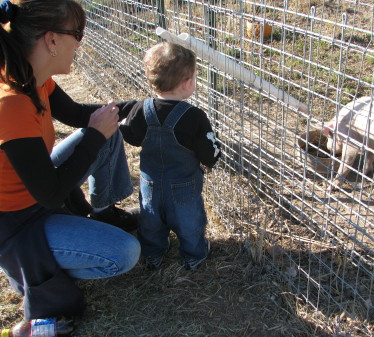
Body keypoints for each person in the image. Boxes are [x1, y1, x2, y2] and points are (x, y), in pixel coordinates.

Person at [0, 0, 141, 322]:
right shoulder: (11, 104)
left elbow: (79, 114)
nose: (80, 42)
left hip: (40, 186)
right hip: (16, 223)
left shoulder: (33, 75)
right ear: (52, 40)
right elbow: (49, 194)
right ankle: (26, 268)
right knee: (123, 254)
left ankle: (103, 213)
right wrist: (93, 136)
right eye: (77, 33)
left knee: (108, 130)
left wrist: (142, 107)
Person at [120, 42, 221, 270]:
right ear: (187, 83)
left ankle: (153, 254)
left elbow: (132, 137)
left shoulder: (140, 109)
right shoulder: (194, 116)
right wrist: (211, 159)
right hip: (184, 184)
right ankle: (194, 255)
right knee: (189, 222)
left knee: (150, 220)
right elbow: (208, 149)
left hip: (150, 183)